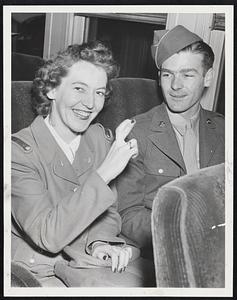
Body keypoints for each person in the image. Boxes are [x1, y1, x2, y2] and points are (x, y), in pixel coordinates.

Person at [11, 41, 155, 287]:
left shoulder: (98, 138)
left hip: (87, 262)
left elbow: (108, 211)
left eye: (99, 92)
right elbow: (48, 235)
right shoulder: (17, 153)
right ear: (52, 90)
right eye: (79, 88)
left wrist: (100, 242)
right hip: (38, 272)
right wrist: (104, 173)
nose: (90, 104)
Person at [116, 25, 225, 259]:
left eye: (187, 74)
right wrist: (178, 232)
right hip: (161, 251)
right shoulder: (137, 133)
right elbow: (127, 214)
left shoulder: (224, 129)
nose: (175, 86)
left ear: (207, 77)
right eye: (167, 74)